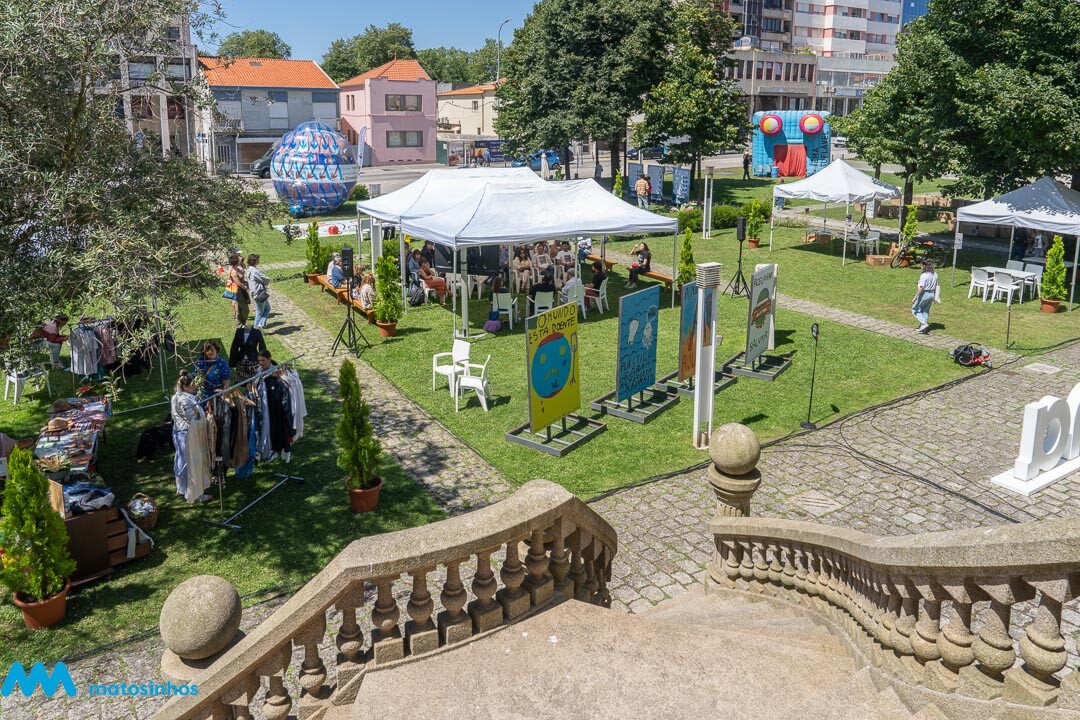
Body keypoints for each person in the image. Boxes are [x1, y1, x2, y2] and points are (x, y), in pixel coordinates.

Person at [170, 371, 211, 503]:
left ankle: (182, 488)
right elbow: (192, 419)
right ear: (185, 387)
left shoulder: (178, 396)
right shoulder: (184, 400)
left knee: (181, 461)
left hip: (180, 432)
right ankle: (195, 493)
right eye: (193, 385)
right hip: (187, 434)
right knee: (193, 464)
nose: (195, 387)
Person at [911, 259, 940, 334]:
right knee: (925, 310)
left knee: (915, 309)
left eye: (921, 265)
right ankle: (923, 328)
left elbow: (921, 288)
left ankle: (924, 324)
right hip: (931, 293)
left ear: (924, 266)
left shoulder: (924, 275)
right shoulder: (935, 274)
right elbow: (936, 285)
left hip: (924, 293)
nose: (920, 267)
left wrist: (915, 297)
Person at [246, 254, 271, 329]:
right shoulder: (254, 271)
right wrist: (268, 279)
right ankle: (256, 329)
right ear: (254, 261)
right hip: (258, 293)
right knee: (259, 312)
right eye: (258, 259)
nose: (259, 260)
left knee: (267, 308)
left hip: (259, 293)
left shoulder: (250, 269)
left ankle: (261, 324)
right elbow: (264, 279)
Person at [227, 253, 250, 328]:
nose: (240, 258)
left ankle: (240, 324)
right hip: (237, 291)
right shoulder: (233, 271)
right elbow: (238, 283)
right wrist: (245, 287)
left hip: (241, 290)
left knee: (240, 309)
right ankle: (240, 324)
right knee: (245, 309)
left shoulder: (237, 268)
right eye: (238, 258)